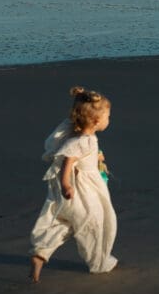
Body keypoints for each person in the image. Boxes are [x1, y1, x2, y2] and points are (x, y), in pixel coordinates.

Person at [29, 86, 118, 282]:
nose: (108, 120)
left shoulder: (76, 132)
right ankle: (99, 262)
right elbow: (68, 162)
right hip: (81, 192)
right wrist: (66, 184)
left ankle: (41, 253)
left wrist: (81, 97)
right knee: (93, 223)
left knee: (65, 223)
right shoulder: (82, 141)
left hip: (77, 191)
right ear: (96, 121)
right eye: (107, 117)